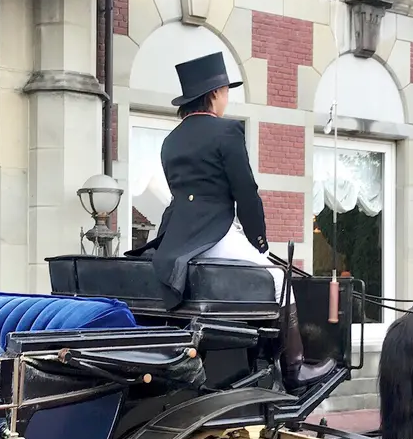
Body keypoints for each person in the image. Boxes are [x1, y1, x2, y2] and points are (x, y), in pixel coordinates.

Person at [127, 51, 334, 389]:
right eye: (225, 92)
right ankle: (296, 370)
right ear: (213, 94)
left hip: (175, 240)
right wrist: (260, 243)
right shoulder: (227, 132)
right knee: (279, 280)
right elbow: (246, 194)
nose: (226, 99)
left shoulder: (171, 141)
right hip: (215, 234)